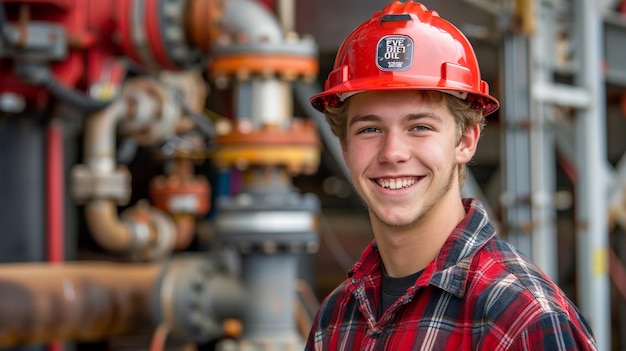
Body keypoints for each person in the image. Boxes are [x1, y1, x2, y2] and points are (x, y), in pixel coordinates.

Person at [305, 1, 597, 350]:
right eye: (369, 130)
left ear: (465, 140)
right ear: (345, 147)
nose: (393, 152)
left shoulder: (522, 319)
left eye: (420, 127)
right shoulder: (336, 318)